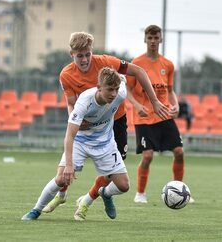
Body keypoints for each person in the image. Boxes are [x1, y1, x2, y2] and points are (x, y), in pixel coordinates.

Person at [41, 32, 169, 219]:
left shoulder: (106, 62)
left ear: (92, 51)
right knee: (68, 161)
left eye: (88, 54)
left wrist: (155, 101)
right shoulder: (66, 75)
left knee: (114, 169)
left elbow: (139, 72)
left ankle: (89, 199)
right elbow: (70, 102)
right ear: (72, 54)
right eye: (80, 55)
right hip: (86, 121)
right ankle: (61, 195)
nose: (85, 59)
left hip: (115, 120)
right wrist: (74, 118)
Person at [21, 67, 131, 221]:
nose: (113, 93)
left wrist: (122, 79)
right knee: (61, 179)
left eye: (116, 89)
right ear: (99, 88)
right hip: (80, 141)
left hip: (105, 143)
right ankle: (36, 210)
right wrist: (69, 165)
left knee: (124, 186)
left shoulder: (121, 94)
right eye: (110, 89)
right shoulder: (85, 101)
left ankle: (105, 193)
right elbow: (70, 134)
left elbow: (125, 79)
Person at [126, 24, 194, 204]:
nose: (153, 41)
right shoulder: (137, 63)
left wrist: (175, 105)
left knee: (179, 151)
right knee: (147, 156)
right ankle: (140, 193)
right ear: (145, 40)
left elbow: (170, 91)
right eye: (150, 38)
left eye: (156, 38)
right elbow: (127, 89)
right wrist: (137, 105)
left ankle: (179, 190)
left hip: (163, 114)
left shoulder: (168, 65)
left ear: (161, 39)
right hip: (144, 116)